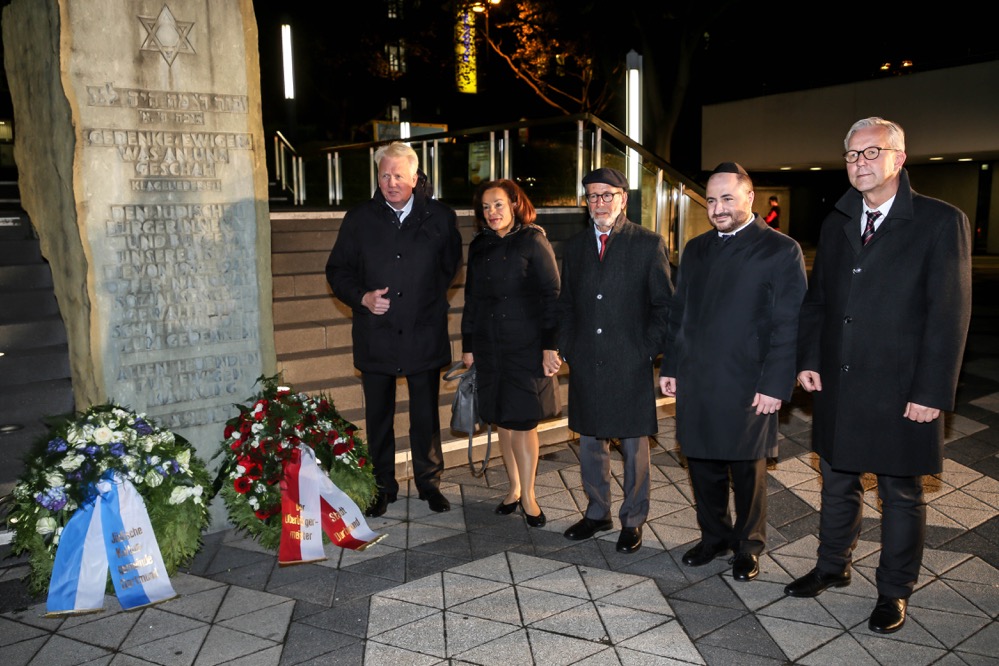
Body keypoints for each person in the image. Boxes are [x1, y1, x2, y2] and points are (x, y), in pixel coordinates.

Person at [787, 117, 972, 634]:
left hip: (901, 390)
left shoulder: (939, 221)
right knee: (836, 480)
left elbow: (949, 313)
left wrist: (932, 391)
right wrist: (808, 358)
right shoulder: (837, 221)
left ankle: (894, 591)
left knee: (901, 492)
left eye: (872, 153)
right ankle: (831, 567)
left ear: (899, 159)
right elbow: (819, 301)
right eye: (851, 155)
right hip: (841, 384)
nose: (860, 164)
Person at [660, 162, 807, 582]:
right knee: (702, 463)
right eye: (710, 199)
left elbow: (788, 323)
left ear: (749, 198)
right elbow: (680, 314)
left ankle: (749, 545)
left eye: (727, 197)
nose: (718, 207)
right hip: (698, 377)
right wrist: (671, 365)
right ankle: (714, 537)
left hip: (750, 382)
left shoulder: (780, 249)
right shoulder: (697, 248)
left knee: (747, 470)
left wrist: (776, 384)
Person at [326, 141, 463, 517]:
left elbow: (450, 267)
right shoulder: (359, 219)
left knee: (425, 415)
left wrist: (424, 298)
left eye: (398, 175)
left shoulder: (440, 217)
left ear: (415, 177)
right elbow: (337, 271)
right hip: (377, 335)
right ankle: (382, 485)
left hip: (422, 332)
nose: (390, 182)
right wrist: (363, 297)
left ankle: (429, 483)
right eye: (384, 175)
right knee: (379, 416)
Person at [557, 167, 672, 554]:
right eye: (592, 196)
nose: (600, 202)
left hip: (630, 360)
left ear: (623, 197)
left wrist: (645, 350)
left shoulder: (647, 243)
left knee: (634, 444)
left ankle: (634, 519)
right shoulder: (573, 248)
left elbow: (663, 307)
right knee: (590, 440)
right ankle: (596, 512)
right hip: (587, 359)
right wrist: (569, 346)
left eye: (607, 195)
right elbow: (567, 304)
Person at [461, 180, 562, 527]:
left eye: (498, 205)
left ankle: (530, 495)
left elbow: (552, 294)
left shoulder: (533, 240)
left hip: (526, 344)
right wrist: (468, 345)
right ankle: (514, 488)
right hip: (490, 346)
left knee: (523, 421)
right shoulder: (479, 246)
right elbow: (471, 298)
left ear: (515, 204)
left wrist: (551, 344)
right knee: (502, 418)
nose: (492, 213)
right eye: (486, 207)